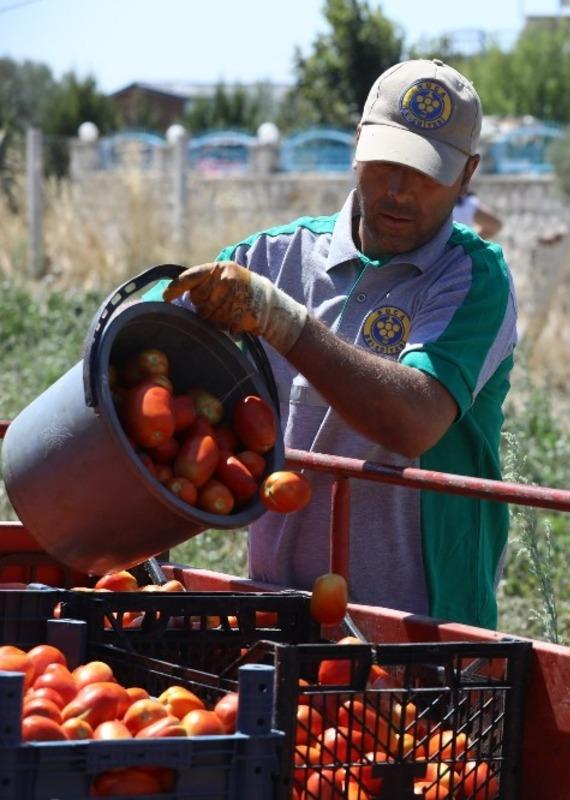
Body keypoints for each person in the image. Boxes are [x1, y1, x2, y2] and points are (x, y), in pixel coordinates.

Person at [161, 59, 518, 630]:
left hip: (421, 630)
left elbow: (414, 419)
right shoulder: (268, 259)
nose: (399, 191)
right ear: (357, 147)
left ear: (468, 175)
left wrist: (284, 322)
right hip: (279, 609)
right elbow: (151, 358)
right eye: (385, 165)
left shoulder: (472, 278)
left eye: (427, 173)